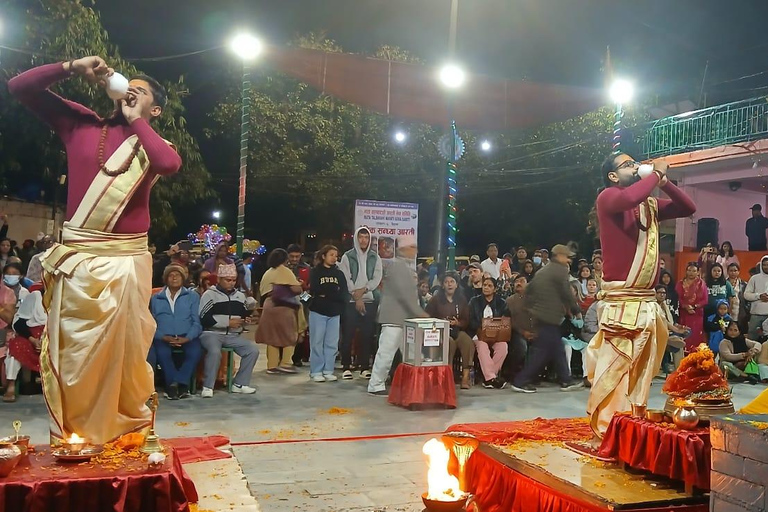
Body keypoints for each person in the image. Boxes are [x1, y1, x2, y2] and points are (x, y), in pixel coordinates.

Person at [9, 56, 182, 443]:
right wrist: (72, 67)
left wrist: (136, 119)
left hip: (126, 262)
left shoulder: (152, 143)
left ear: (155, 108)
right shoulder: (81, 123)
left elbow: (168, 164)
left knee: (123, 359)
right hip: (80, 262)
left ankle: (122, 434)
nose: (130, 89)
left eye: (142, 91)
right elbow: (19, 87)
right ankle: (75, 436)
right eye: (127, 84)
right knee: (76, 355)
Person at [586, 153, 696, 437]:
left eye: (636, 163)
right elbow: (627, 200)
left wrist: (665, 182)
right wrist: (655, 176)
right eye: (627, 165)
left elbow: (688, 206)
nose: (634, 167)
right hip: (621, 304)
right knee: (616, 370)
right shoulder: (608, 197)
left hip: (646, 302)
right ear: (612, 175)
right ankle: (609, 430)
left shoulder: (649, 204)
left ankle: (632, 426)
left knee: (642, 373)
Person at [512, 244, 584, 393]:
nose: (568, 260)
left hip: (542, 315)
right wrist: (575, 308)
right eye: (566, 256)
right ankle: (521, 380)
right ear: (559, 256)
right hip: (549, 316)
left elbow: (529, 289)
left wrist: (531, 307)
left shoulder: (543, 271)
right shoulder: (560, 270)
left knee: (556, 349)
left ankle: (566, 379)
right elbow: (566, 292)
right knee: (542, 352)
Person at [367, 237, 425, 396]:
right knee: (386, 352)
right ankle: (376, 384)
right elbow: (405, 296)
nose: (416, 250)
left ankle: (415, 384)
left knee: (413, 355)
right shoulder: (399, 267)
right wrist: (420, 313)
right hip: (394, 319)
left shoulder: (404, 267)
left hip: (406, 321)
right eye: (413, 247)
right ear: (404, 249)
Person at [199, 263, 259, 397]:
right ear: (219, 279)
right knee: (215, 352)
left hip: (232, 335)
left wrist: (245, 321)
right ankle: (208, 386)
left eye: (233, 280)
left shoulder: (240, 296)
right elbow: (203, 318)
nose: (231, 283)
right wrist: (226, 323)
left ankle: (239, 383)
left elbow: (243, 315)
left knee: (252, 350)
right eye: (228, 280)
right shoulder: (209, 295)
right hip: (211, 334)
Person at [149, 264, 203, 400]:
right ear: (166, 279)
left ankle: (176, 383)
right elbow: (150, 323)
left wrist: (188, 338)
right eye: (171, 275)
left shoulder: (192, 296)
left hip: (186, 335)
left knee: (195, 352)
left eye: (177, 275)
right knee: (162, 353)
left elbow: (196, 322)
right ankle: (178, 386)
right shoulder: (155, 298)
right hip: (163, 336)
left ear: (183, 278)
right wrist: (163, 337)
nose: (174, 278)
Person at [338, 227, 383, 379]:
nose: (363, 240)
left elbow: (376, 278)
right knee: (348, 334)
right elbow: (346, 277)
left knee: (367, 335)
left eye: (366, 238)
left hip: (369, 300)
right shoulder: (347, 257)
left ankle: (364, 366)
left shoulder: (375, 257)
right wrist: (356, 297)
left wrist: (364, 290)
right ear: (356, 239)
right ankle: (346, 366)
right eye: (361, 237)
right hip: (351, 301)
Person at [255, 249, 303, 374]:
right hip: (283, 307)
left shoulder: (267, 273)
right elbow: (296, 289)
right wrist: (300, 285)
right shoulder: (284, 271)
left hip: (268, 305)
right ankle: (286, 364)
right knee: (289, 336)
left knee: (272, 337)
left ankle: (272, 366)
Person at [426, 273, 474, 389]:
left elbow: (466, 320)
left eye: (452, 282)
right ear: (442, 285)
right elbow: (427, 316)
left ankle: (465, 377)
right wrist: (440, 323)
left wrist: (458, 323)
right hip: (440, 332)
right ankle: (447, 377)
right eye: (446, 282)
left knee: (467, 342)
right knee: (449, 343)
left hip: (456, 329)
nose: (449, 284)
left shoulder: (461, 300)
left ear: (457, 285)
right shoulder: (436, 300)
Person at [308, 245, 348, 383]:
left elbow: (343, 292)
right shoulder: (315, 272)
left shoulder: (339, 274)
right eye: (331, 255)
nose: (334, 258)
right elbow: (316, 289)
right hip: (318, 311)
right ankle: (316, 370)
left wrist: (329, 294)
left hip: (334, 312)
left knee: (332, 342)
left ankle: (328, 369)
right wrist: (331, 292)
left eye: (336, 256)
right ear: (323, 256)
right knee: (317, 341)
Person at [2, 283, 44, 402]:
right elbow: (19, 322)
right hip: (31, 337)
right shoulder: (34, 297)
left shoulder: (64, 298)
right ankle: (11, 386)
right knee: (16, 346)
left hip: (54, 337)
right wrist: (33, 340)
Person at [467, 277, 510, 389]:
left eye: (489, 286)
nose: (486, 287)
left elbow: (505, 321)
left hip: (497, 335)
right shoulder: (474, 301)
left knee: (503, 347)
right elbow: (470, 321)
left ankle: (489, 378)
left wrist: (494, 331)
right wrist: (481, 329)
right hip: (479, 334)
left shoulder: (502, 303)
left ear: (495, 289)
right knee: (482, 347)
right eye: (484, 285)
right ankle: (491, 378)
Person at [504, 275, 533, 383]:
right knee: (522, 347)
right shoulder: (509, 301)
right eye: (516, 281)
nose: (518, 283)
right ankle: (515, 374)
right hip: (516, 333)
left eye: (522, 281)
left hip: (534, 332)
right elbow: (509, 321)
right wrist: (523, 332)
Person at [655, 285, 688, 373]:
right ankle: (671, 339)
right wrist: (676, 330)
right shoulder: (652, 306)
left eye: (664, 293)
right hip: (656, 332)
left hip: (668, 330)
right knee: (677, 340)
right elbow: (663, 321)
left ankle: (679, 372)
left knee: (679, 344)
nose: (662, 295)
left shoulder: (665, 305)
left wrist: (678, 327)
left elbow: (670, 320)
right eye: (659, 293)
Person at [676, 262, 709, 352]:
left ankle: (695, 356)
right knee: (685, 335)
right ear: (686, 271)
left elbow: (705, 300)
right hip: (684, 313)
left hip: (697, 314)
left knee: (696, 336)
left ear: (698, 272)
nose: (691, 273)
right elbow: (677, 298)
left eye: (694, 271)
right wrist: (686, 306)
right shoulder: (680, 284)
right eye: (689, 270)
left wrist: (694, 306)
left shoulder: (702, 284)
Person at [744, 256, 768, 339]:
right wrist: (759, 296)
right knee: (752, 340)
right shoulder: (754, 278)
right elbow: (746, 295)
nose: (766, 267)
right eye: (764, 265)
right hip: (756, 315)